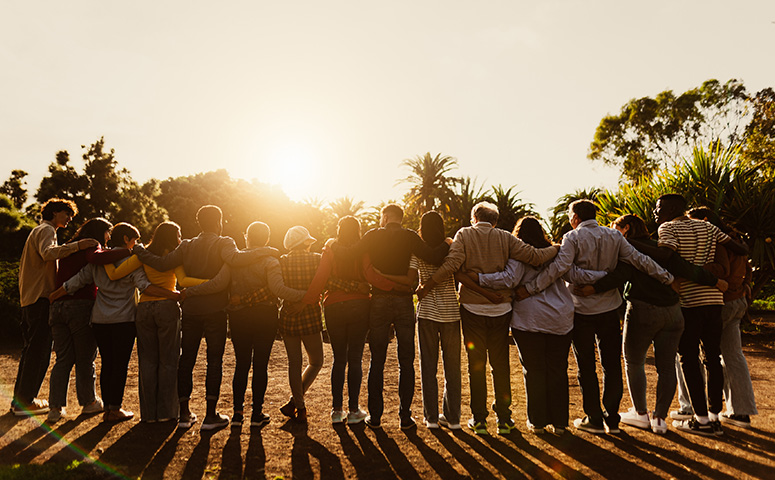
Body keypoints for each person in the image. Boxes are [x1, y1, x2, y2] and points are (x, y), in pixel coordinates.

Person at [517, 200, 675, 435]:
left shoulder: (572, 237)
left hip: (581, 311)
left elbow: (559, 268)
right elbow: (639, 260)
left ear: (576, 217)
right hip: (610, 309)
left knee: (586, 367)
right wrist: (667, 277)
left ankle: (593, 417)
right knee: (612, 365)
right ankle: (612, 419)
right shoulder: (614, 236)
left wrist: (531, 289)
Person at [416, 202, 559, 435]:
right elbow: (534, 257)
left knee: (477, 365)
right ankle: (504, 419)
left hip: (472, 309)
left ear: (474, 217)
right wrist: (558, 247)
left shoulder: (464, 234)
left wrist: (428, 285)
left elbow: (452, 265)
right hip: (501, 311)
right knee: (500, 365)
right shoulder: (505, 237)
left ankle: (479, 419)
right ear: (495, 220)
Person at [574, 214, 724, 434]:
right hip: (673, 312)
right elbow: (685, 268)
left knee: (634, 361)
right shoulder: (662, 249)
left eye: (615, 228)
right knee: (666, 366)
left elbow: (621, 273)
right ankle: (660, 419)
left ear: (625, 229)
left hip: (643, 310)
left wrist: (594, 288)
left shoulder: (627, 250)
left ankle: (641, 414)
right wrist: (714, 281)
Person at [132, 205, 275, 431]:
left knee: (186, 360)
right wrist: (265, 250)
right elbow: (236, 260)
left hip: (191, 311)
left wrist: (139, 250)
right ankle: (210, 415)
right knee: (213, 361)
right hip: (215, 310)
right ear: (220, 221)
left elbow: (161, 263)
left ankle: (184, 414)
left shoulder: (186, 245)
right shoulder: (224, 242)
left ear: (199, 223)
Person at [474, 217, 605, 435]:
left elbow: (508, 280)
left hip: (528, 319)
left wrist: (478, 278)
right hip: (559, 318)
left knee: (533, 371)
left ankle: (538, 422)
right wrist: (605, 276)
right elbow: (575, 274)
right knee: (557, 369)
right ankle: (560, 423)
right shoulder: (557, 252)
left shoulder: (519, 255)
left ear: (518, 234)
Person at [334, 204, 450, 430]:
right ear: (400, 218)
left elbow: (348, 254)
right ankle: (405, 417)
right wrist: (447, 243)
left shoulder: (372, 235)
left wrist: (331, 244)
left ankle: (375, 417)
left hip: (378, 302)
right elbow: (434, 257)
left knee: (377, 360)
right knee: (406, 361)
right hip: (404, 302)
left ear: (385, 217)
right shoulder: (409, 236)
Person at [182, 221, 306, 428]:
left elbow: (219, 283)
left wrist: (189, 291)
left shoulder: (234, 261)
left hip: (239, 318)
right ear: (266, 239)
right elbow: (277, 289)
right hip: (265, 316)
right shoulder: (271, 260)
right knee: (260, 365)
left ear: (247, 237)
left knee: (241, 364)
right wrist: (306, 296)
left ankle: (238, 414)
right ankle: (257, 413)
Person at [51, 223, 179, 422]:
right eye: (134, 240)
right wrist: (173, 295)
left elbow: (76, 281)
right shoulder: (131, 260)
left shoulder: (98, 261)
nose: (136, 244)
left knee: (107, 364)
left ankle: (108, 409)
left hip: (100, 320)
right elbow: (144, 286)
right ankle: (114, 409)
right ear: (127, 239)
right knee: (119, 365)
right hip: (124, 320)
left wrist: (53, 296)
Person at [654, 194, 748, 436]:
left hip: (689, 301)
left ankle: (702, 420)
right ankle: (715, 415)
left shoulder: (668, 228)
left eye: (658, 207)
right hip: (714, 300)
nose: (655, 212)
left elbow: (666, 256)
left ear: (670, 209)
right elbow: (739, 248)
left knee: (688, 358)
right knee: (713, 357)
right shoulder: (707, 226)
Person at [302, 216, 407, 425]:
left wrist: (306, 301)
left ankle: (336, 411)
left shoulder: (330, 249)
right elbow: (371, 276)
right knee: (355, 358)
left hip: (333, 307)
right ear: (358, 231)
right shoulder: (362, 250)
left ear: (339, 230)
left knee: (339, 359)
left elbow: (320, 278)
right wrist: (398, 287)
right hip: (359, 307)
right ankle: (353, 411)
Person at [105, 221, 205, 423]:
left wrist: (102, 255)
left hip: (144, 310)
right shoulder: (174, 257)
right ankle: (167, 413)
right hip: (167, 307)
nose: (180, 239)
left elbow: (115, 274)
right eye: (178, 234)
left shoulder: (142, 255)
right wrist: (209, 283)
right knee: (169, 362)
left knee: (148, 362)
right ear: (172, 237)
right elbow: (184, 281)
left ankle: (149, 415)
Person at [13, 198, 97, 417]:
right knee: (39, 352)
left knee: (31, 351)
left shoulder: (37, 231)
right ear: (55, 212)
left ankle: (20, 401)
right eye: (67, 214)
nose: (69, 219)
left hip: (30, 299)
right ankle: (26, 402)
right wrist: (78, 246)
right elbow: (48, 253)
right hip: (41, 298)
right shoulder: (47, 230)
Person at [47, 217, 131, 423]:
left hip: (58, 307)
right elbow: (96, 261)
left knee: (63, 359)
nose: (109, 237)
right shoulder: (92, 246)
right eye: (107, 233)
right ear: (100, 232)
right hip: (79, 305)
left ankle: (55, 408)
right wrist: (132, 251)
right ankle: (89, 402)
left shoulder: (71, 246)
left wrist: (57, 294)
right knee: (85, 358)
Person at [686, 207, 758, 428]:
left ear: (705, 221)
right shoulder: (734, 240)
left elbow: (721, 270)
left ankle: (690, 406)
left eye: (692, 222)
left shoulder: (715, 241)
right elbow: (748, 268)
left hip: (720, 302)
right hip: (737, 300)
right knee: (733, 355)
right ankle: (741, 411)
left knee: (695, 354)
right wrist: (745, 285)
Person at [276, 226, 324, 423]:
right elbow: (320, 285)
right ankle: (295, 401)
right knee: (316, 361)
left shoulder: (281, 261)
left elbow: (279, 288)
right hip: (310, 315)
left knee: (294, 363)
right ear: (305, 242)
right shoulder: (317, 259)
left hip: (288, 315)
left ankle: (298, 405)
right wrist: (305, 301)